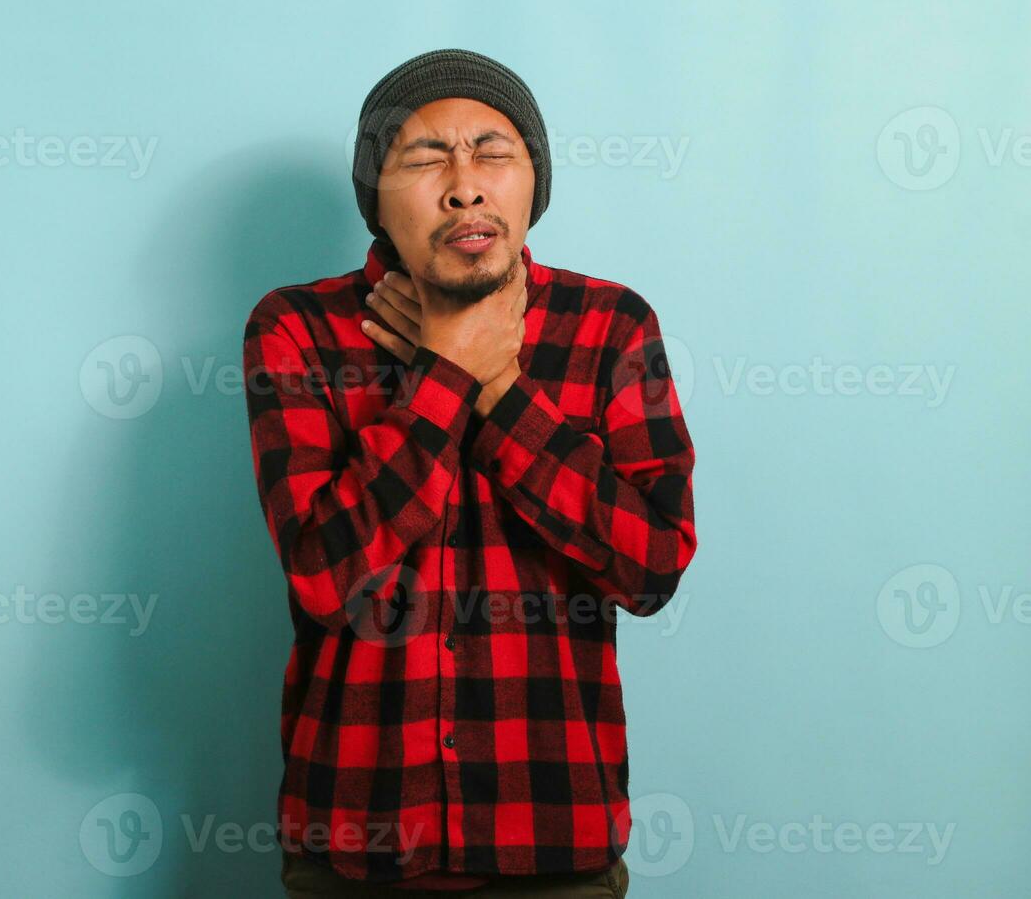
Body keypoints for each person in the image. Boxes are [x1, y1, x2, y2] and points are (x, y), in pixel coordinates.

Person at [242, 48, 697, 896]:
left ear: (533, 182)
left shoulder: (610, 327)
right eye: (424, 158)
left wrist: (500, 387)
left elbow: (652, 566)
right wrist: (449, 368)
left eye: (495, 153)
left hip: (555, 839)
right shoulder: (298, 330)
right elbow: (323, 575)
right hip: (357, 841)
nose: (465, 187)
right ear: (375, 197)